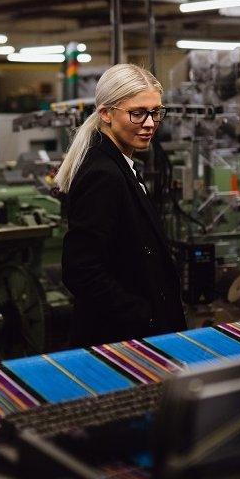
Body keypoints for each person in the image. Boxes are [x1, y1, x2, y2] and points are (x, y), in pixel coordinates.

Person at [57, 64, 186, 346]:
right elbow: (81, 269)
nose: (150, 123)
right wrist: (143, 316)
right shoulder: (103, 173)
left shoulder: (118, 163)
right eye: (137, 113)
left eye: (155, 112)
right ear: (105, 113)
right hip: (120, 339)